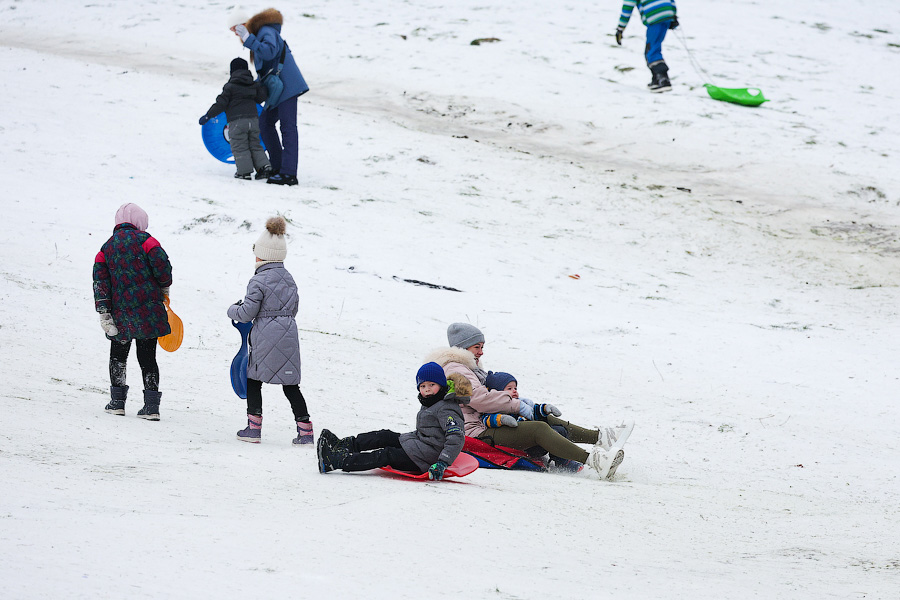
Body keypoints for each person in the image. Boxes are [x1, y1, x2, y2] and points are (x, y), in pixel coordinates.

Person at [427, 323, 632, 480]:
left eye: (482, 346)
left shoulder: (469, 367)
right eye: (477, 347)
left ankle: (601, 437)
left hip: (488, 422)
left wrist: (527, 405)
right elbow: (479, 399)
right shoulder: (455, 370)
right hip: (475, 431)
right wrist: (516, 405)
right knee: (538, 429)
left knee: (543, 417)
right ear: (462, 348)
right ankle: (595, 461)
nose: (481, 352)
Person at [227, 216, 313, 445]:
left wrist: (232, 310)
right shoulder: (289, 278)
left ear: (262, 255)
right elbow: (294, 307)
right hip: (289, 334)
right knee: (291, 384)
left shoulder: (258, 280)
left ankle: (253, 429)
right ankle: (306, 432)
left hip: (265, 336)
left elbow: (247, 312)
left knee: (253, 379)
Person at [317, 363, 469, 479]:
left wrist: (442, 462)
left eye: (431, 385)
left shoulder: (446, 408)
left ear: (441, 385)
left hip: (427, 458)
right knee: (385, 435)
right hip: (419, 446)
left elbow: (456, 437)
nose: (427, 389)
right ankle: (343, 445)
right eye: (423, 386)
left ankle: (338, 461)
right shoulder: (432, 402)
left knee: (386, 454)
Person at [93, 203, 173, 420]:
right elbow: (163, 267)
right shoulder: (147, 241)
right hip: (149, 310)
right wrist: (163, 285)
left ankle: (117, 402)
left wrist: (104, 312)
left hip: (121, 314)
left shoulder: (106, 248)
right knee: (148, 357)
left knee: (118, 356)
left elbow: (100, 283)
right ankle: (151, 407)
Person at [481, 371, 632, 473]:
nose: (514, 391)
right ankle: (586, 461)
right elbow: (488, 419)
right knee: (542, 428)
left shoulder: (520, 402)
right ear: (496, 392)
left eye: (515, 387)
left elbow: (534, 411)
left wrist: (546, 408)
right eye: (509, 388)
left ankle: (600, 439)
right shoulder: (495, 407)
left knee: (559, 430)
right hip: (522, 444)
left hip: (527, 437)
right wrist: (502, 419)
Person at [229, 8, 309, 186]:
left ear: (244, 25)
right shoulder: (259, 36)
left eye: (237, 30)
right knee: (265, 123)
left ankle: (289, 173)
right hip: (278, 89)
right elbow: (266, 70)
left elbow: (270, 52)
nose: (237, 35)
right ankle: (278, 166)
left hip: (288, 86)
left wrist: (249, 39)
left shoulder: (266, 31)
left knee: (288, 128)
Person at [199, 57, 272, 181]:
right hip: (254, 121)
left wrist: (208, 115)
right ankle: (264, 168)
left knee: (240, 146)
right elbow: (260, 98)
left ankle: (244, 172)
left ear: (232, 71)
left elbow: (221, 104)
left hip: (237, 122)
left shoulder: (230, 87)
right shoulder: (252, 85)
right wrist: (261, 86)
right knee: (255, 144)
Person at [614, 0, 679, 92]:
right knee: (655, 46)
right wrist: (673, 15)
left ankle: (663, 79)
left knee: (651, 50)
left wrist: (620, 29)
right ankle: (656, 80)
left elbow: (627, 8)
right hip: (667, 13)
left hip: (654, 16)